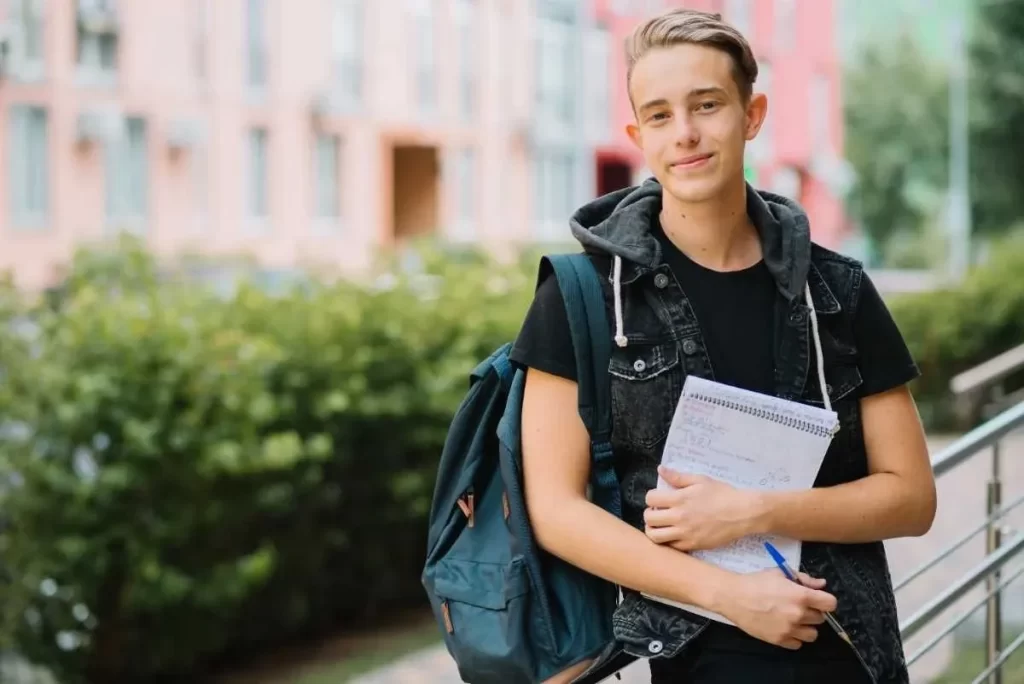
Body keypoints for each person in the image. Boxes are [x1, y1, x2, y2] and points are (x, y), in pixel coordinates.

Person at [511, 8, 936, 684]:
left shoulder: (839, 291)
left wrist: (755, 510)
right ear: (637, 135)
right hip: (684, 663)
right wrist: (730, 597)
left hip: (847, 658)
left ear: (752, 113)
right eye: (658, 115)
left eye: (706, 105)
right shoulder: (581, 296)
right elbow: (556, 512)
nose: (684, 134)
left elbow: (912, 498)